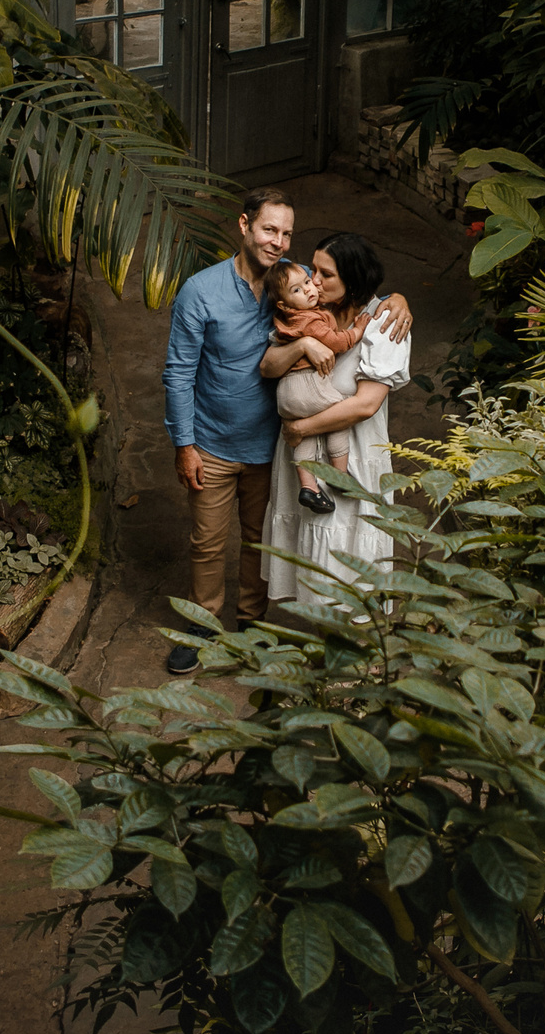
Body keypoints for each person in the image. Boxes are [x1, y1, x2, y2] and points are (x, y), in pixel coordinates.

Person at [161, 189, 411, 675]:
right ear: (244, 225)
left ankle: (253, 626)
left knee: (260, 543)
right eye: (268, 229)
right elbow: (178, 373)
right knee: (207, 543)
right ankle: (201, 624)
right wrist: (184, 444)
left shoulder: (299, 279)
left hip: (269, 444)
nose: (277, 242)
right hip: (212, 441)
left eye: (286, 233)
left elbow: (355, 284)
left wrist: (399, 298)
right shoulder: (201, 291)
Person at [260, 231, 412, 621]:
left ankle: (362, 662)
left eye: (326, 275)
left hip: (351, 457)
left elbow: (365, 405)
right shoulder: (305, 313)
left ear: (353, 280)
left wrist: (302, 428)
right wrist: (300, 346)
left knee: (351, 562)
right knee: (315, 566)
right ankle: (328, 658)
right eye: (313, 271)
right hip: (306, 461)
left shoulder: (385, 322)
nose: (313, 281)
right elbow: (268, 367)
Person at [261, 260, 364, 516]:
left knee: (307, 434)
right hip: (307, 384)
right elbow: (338, 343)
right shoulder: (309, 321)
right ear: (283, 304)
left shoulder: (290, 319)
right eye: (297, 290)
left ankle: (309, 488)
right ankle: (339, 475)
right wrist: (358, 330)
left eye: (307, 282)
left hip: (286, 393)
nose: (309, 288)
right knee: (338, 416)